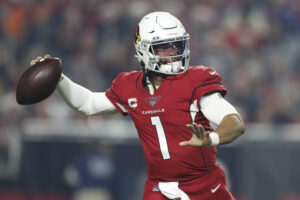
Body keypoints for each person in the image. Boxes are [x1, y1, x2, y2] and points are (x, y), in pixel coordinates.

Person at [32, 11, 245, 200]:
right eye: (163, 48)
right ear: (144, 49)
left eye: (176, 45)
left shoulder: (196, 80)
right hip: (159, 188)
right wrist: (59, 79)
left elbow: (234, 123)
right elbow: (88, 103)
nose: (173, 53)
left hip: (204, 185)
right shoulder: (129, 86)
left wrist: (211, 138)